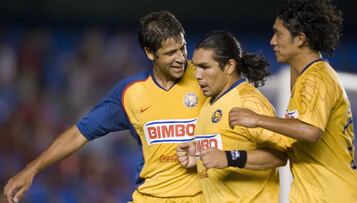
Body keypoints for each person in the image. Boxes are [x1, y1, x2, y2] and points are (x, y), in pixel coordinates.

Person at [3, 11, 207, 203]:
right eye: (171, 53)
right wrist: (31, 170)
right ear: (150, 53)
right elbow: (79, 133)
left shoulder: (206, 77)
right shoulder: (130, 93)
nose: (180, 58)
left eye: (182, 47)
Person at [228, 0, 357, 202]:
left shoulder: (316, 79)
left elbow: (310, 131)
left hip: (333, 195)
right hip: (316, 194)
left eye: (278, 34)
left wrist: (257, 119)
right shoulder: (307, 77)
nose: (272, 41)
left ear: (300, 39)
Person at [177, 31, 288, 203]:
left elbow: (279, 155)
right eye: (196, 67)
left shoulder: (248, 102)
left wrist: (229, 158)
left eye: (205, 67)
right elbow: (223, 146)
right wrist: (197, 154)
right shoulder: (209, 103)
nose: (198, 75)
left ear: (229, 66)